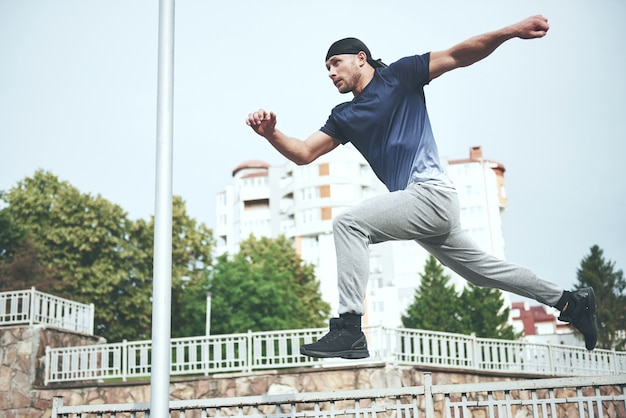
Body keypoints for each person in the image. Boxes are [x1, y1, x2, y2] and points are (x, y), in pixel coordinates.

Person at [245, 15, 598, 357]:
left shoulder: (400, 76)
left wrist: (511, 31)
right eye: (327, 69)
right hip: (424, 208)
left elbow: (458, 55)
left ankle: (349, 328)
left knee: (349, 224)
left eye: (336, 63)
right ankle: (569, 301)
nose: (331, 73)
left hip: (430, 194)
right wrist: (271, 133)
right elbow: (304, 153)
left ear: (361, 59)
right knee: (484, 273)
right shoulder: (344, 116)